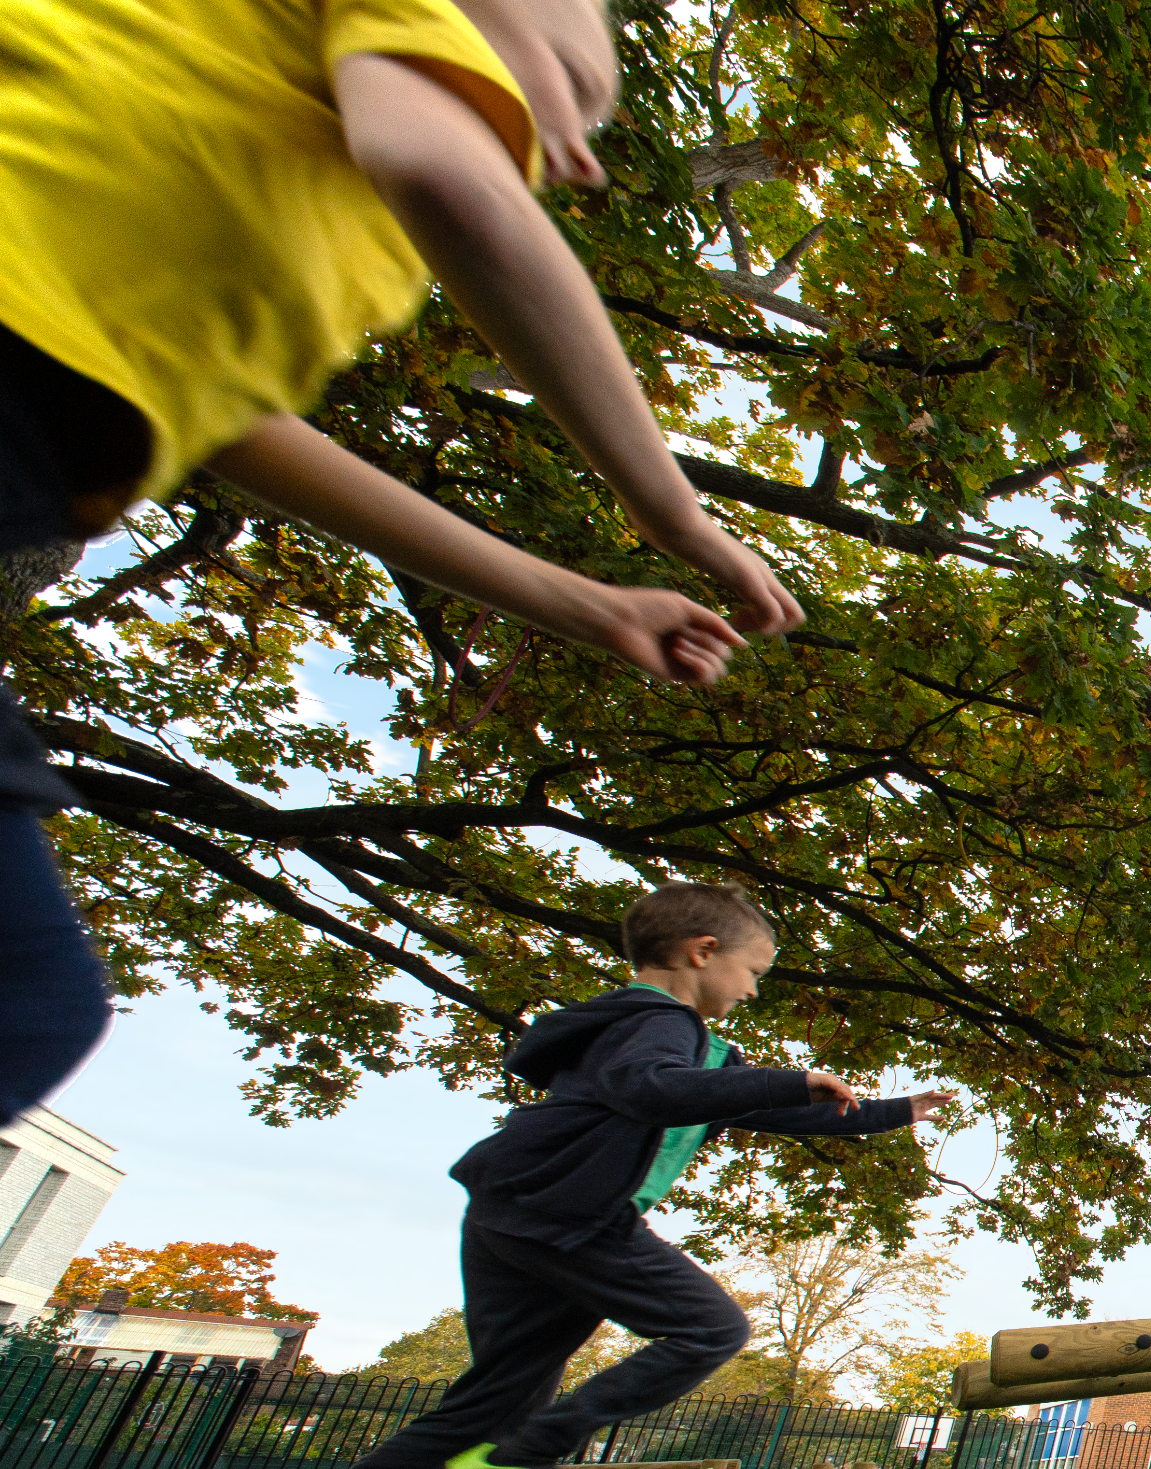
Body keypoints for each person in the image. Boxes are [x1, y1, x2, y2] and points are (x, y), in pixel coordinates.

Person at [1, 0, 806, 1126]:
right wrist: (675, 509)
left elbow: (244, 431)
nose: (573, 143)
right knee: (22, 999)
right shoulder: (397, 108)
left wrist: (577, 601)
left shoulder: (284, 174)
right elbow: (446, 171)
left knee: (27, 999)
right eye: (573, 77)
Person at [174, 883, 935, 1469]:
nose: (753, 987)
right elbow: (652, 1089)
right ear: (701, 952)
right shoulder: (655, 1023)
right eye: (754, 969)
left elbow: (755, 1105)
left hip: (518, 1213)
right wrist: (787, 1076)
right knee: (709, 1328)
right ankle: (521, 1463)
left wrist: (895, 1110)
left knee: (489, 1407)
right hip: (566, 1215)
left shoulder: (692, 1048)